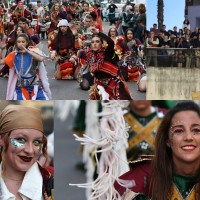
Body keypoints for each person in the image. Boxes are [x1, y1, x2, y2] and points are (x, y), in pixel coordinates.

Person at [114, 101, 200, 199]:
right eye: (179, 131)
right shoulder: (136, 181)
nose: (188, 137)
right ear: (167, 139)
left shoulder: (161, 115)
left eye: (196, 130)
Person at [0, 104, 54, 199]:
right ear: (1, 139)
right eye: (21, 139)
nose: (30, 150)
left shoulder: (53, 180)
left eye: (37, 142)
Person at [78, 28, 132, 100]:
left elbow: (111, 43)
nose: (94, 44)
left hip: (113, 84)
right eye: (93, 42)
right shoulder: (90, 55)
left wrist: (98, 32)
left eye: (97, 42)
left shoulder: (107, 53)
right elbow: (81, 54)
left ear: (102, 43)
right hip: (99, 85)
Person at [0, 33, 51, 100]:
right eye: (19, 42)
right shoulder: (14, 55)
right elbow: (1, 62)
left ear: (27, 42)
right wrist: (1, 49)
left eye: (23, 42)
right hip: (20, 87)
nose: (21, 44)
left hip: (34, 86)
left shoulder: (33, 52)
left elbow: (41, 59)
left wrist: (27, 51)